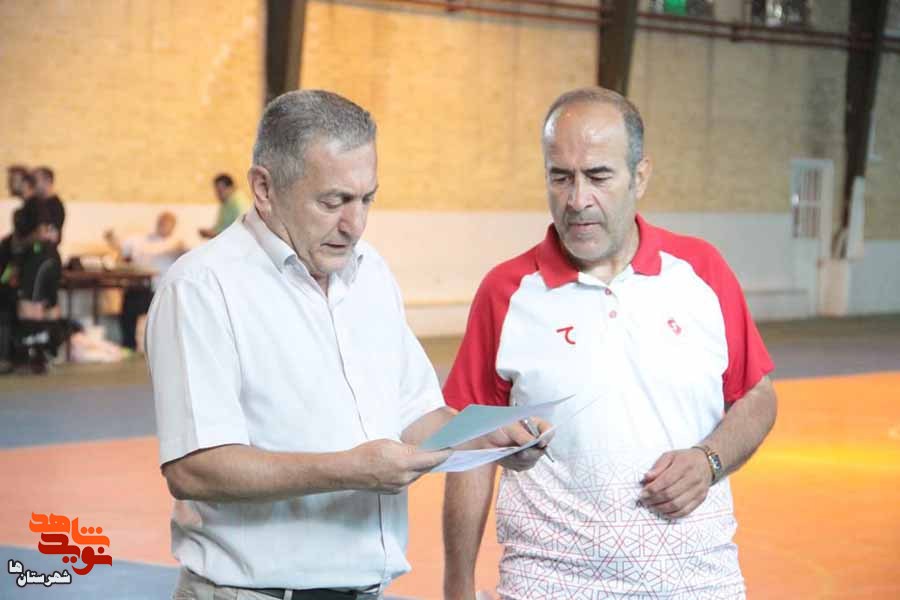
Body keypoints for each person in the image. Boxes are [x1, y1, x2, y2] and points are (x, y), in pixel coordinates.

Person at [147, 90, 548, 600]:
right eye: (332, 201)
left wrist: (486, 437)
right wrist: (349, 471)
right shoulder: (202, 289)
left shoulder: (370, 274)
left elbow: (416, 414)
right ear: (265, 188)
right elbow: (195, 469)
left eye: (366, 199)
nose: (354, 224)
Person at [442, 87, 778, 599]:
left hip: (696, 583)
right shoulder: (505, 292)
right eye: (561, 177)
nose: (578, 200)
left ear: (640, 176)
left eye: (598, 176)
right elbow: (473, 444)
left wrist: (709, 459)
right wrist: (457, 586)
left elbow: (757, 395)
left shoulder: (702, 272)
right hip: (549, 585)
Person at [104, 211, 184, 350]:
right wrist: (111, 237)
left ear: (173, 226)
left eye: (167, 223)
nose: (164, 225)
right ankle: (129, 345)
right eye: (162, 222)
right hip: (140, 285)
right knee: (128, 309)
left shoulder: (177, 243)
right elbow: (121, 246)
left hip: (161, 290)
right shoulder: (141, 240)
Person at [198, 173, 250, 238]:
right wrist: (210, 232)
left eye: (220, 191)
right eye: (217, 191)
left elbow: (240, 233)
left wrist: (213, 234)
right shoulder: (226, 202)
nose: (218, 194)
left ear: (231, 188)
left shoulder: (239, 203)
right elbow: (220, 227)